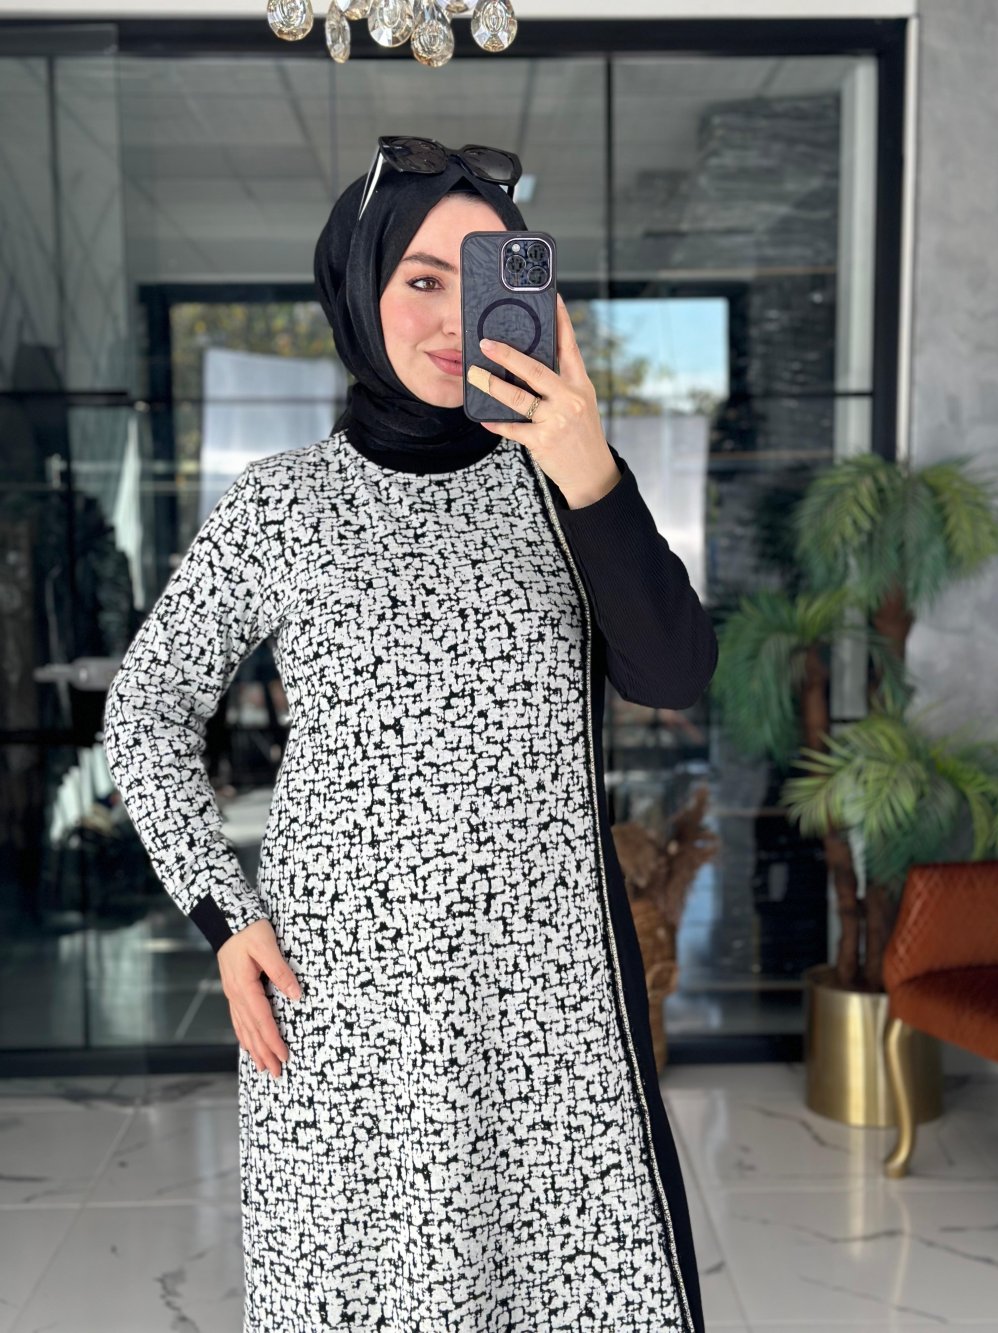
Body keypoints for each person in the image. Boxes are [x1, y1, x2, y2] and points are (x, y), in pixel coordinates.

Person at [102, 139, 717, 1333]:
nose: (449, 317)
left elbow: (673, 670)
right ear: (357, 285)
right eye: (421, 278)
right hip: (344, 992)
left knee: (564, 1292)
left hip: (545, 997)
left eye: (480, 277)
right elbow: (148, 707)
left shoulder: (564, 481)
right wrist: (224, 918)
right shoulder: (281, 502)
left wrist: (587, 467)